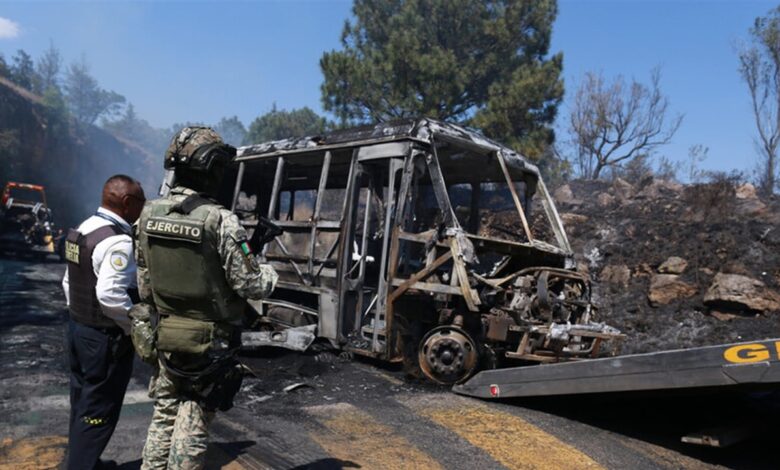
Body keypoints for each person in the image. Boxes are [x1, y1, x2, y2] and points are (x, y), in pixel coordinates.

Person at [133, 127, 277, 470]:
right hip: (209, 343)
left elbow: (145, 285)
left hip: (165, 335)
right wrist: (269, 272)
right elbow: (252, 285)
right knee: (194, 416)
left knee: (164, 414)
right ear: (211, 169)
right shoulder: (220, 220)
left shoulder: (148, 213)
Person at [62, 174, 146, 470]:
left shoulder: (83, 228)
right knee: (99, 410)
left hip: (78, 329)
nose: (143, 208)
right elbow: (110, 294)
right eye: (141, 202)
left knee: (82, 402)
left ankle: (86, 462)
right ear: (127, 203)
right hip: (103, 338)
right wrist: (133, 327)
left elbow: (69, 281)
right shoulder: (118, 241)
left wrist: (80, 316)